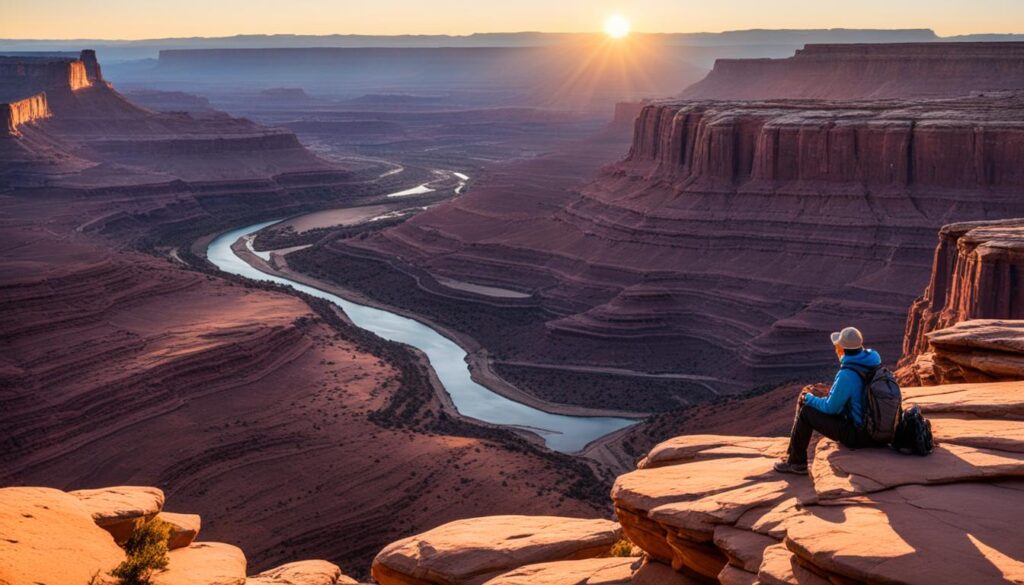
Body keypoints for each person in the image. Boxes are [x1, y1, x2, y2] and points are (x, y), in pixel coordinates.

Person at [774, 326, 882, 474]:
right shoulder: (873, 362)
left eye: (837, 347)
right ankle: (792, 455)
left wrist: (809, 398)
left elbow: (831, 408)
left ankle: (796, 462)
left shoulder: (847, 375)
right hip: (877, 431)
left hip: (859, 435)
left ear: (841, 349)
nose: (835, 350)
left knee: (806, 412)